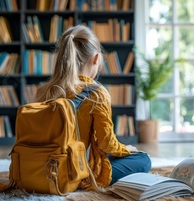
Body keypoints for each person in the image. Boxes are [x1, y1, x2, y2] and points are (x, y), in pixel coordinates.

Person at [35, 25, 151, 190]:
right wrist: (127, 149)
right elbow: (107, 144)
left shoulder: (45, 90)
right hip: (71, 171)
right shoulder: (96, 93)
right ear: (96, 58)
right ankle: (83, 179)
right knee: (143, 159)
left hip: (39, 169)